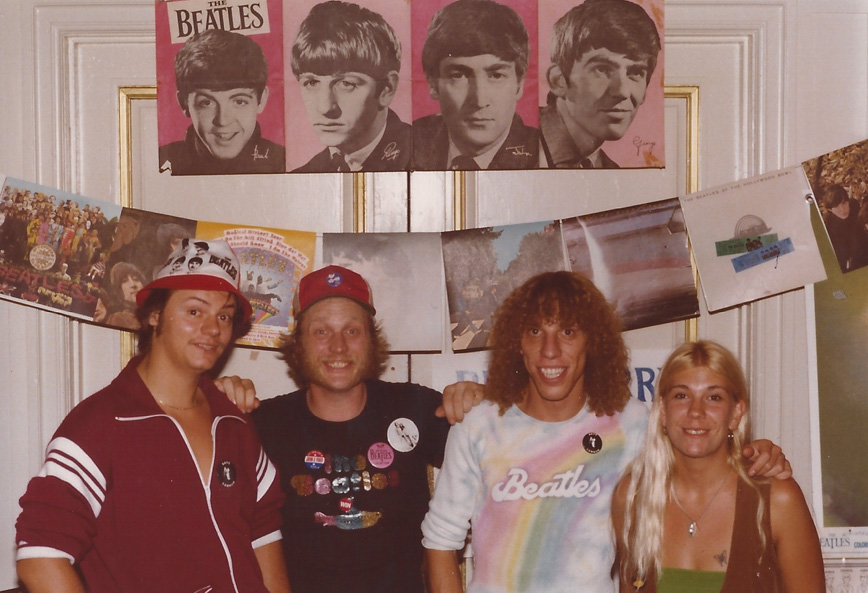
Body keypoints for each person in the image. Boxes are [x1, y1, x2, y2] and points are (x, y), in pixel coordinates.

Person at [422, 271, 792, 593]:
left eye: (568, 332)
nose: (550, 350)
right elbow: (440, 540)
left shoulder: (633, 423)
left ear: (592, 341)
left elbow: (702, 454)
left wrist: (753, 451)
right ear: (518, 343)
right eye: (536, 331)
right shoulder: (479, 424)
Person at [15, 239, 291, 593]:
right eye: (195, 311)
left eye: (223, 315)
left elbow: (263, 532)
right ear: (155, 315)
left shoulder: (234, 420)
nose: (212, 328)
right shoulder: (100, 424)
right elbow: (40, 558)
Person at [612, 340, 825, 593]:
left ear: (735, 413)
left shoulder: (777, 500)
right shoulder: (633, 498)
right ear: (662, 412)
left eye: (713, 397)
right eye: (682, 395)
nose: (696, 411)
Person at [414, 0, 539, 170]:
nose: (479, 101)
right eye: (458, 75)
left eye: (496, 76)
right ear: (433, 84)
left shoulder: (542, 153)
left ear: (519, 84)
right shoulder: (410, 141)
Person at [290, 1, 412, 172]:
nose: (325, 107)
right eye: (311, 83)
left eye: (346, 84)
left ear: (387, 89)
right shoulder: (301, 176)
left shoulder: (427, 158)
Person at [540, 0, 661, 169]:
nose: (622, 91)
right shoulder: (509, 145)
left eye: (635, 73)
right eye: (602, 69)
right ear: (558, 80)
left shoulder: (610, 171)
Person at [159, 28, 286, 175]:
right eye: (207, 103)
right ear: (184, 103)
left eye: (239, 101)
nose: (223, 121)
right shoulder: (163, 163)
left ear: (261, 100)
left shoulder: (284, 162)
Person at [820, 183, 861, 272]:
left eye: (844, 203)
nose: (842, 209)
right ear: (830, 209)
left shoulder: (854, 207)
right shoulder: (827, 225)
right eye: (836, 207)